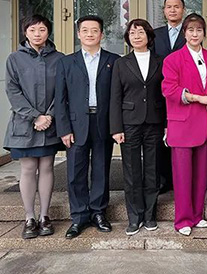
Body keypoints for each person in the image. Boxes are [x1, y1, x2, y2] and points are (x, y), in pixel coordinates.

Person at [55, 15, 120, 239]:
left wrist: (116, 126)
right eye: (85, 30)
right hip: (75, 124)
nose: (90, 34)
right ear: (78, 34)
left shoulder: (113, 60)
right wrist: (64, 129)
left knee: (101, 169)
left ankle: (98, 212)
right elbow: (60, 98)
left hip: (102, 122)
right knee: (75, 172)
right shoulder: (66, 62)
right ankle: (79, 216)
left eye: (94, 30)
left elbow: (117, 97)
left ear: (101, 34)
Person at [3, 15, 64, 239]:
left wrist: (49, 116)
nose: (37, 34)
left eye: (42, 29)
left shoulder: (59, 59)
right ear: (25, 32)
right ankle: (29, 217)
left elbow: (62, 91)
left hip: (50, 123)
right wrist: (35, 116)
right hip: (24, 124)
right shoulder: (14, 59)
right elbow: (12, 91)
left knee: (47, 167)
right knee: (28, 169)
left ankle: (45, 216)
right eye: (32, 30)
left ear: (48, 32)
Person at [161, 13, 207, 236]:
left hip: (204, 123)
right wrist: (196, 97)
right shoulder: (173, 59)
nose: (195, 34)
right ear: (184, 33)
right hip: (182, 124)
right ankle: (182, 219)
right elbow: (169, 90)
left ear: (204, 33)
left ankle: (197, 215)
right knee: (183, 176)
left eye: (199, 30)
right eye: (191, 30)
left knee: (201, 175)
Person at [110, 19, 165, 236]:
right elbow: (115, 97)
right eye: (132, 33)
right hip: (129, 123)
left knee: (153, 170)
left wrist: (167, 124)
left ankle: (150, 216)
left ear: (149, 36)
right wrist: (116, 128)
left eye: (140, 32)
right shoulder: (121, 63)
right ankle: (134, 217)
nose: (136, 36)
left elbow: (165, 94)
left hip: (154, 121)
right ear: (128, 38)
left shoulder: (161, 61)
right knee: (131, 171)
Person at [152, 0, 187, 195]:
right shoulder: (155, 35)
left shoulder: (190, 32)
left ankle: (180, 178)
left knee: (181, 137)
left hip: (183, 93)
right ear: (164, 11)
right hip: (159, 92)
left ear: (183, 10)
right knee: (160, 137)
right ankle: (163, 179)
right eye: (169, 7)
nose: (173, 10)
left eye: (177, 6)